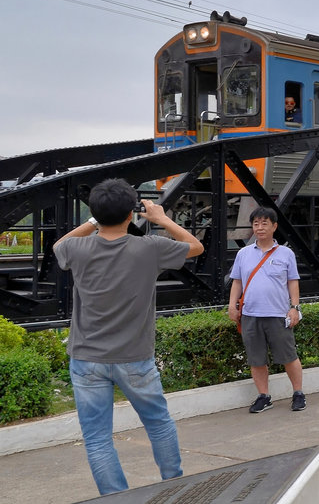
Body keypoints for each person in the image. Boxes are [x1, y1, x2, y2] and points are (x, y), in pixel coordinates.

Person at [52, 179, 204, 496]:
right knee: (158, 423)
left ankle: (117, 499)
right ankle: (174, 488)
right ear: (129, 214)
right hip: (136, 358)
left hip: (87, 359)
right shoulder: (149, 248)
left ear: (94, 212)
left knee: (97, 438)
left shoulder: (77, 249)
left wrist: (93, 221)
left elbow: (59, 245)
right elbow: (196, 246)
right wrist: (161, 219)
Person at [227, 206, 306, 412]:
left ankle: (298, 393)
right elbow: (237, 282)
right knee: (256, 359)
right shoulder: (243, 253)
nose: (259, 228)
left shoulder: (286, 253)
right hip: (250, 315)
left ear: (274, 226)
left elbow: (292, 282)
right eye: (255, 224)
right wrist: (232, 305)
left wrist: (294, 308)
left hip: (278, 314)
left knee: (289, 356)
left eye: (264, 223)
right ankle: (264, 397)